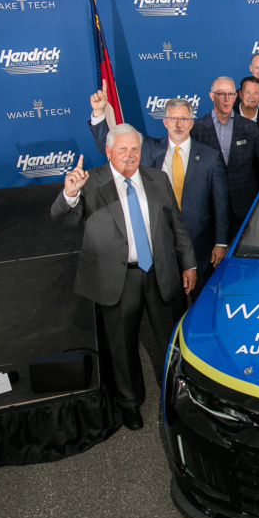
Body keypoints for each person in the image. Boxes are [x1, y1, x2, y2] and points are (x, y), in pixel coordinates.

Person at [52, 126, 197, 431]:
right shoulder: (90, 183)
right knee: (123, 346)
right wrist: (70, 193)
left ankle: (176, 395)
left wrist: (188, 263)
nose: (130, 155)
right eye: (122, 149)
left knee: (171, 342)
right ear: (108, 151)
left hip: (160, 273)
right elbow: (62, 221)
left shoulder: (158, 178)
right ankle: (131, 403)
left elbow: (177, 225)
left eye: (135, 149)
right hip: (117, 278)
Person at [89, 88, 228, 300]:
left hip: (198, 244)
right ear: (165, 122)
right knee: (169, 302)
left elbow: (220, 203)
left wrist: (221, 242)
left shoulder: (210, 156)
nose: (178, 124)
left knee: (202, 301)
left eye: (184, 119)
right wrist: (99, 113)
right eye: (173, 119)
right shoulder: (146, 148)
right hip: (159, 242)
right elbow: (107, 146)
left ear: (192, 123)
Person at [192, 76, 259, 241]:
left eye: (230, 94)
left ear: (235, 96)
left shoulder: (248, 126)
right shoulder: (197, 129)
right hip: (211, 209)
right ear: (212, 96)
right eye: (221, 94)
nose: (226, 99)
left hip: (243, 207)